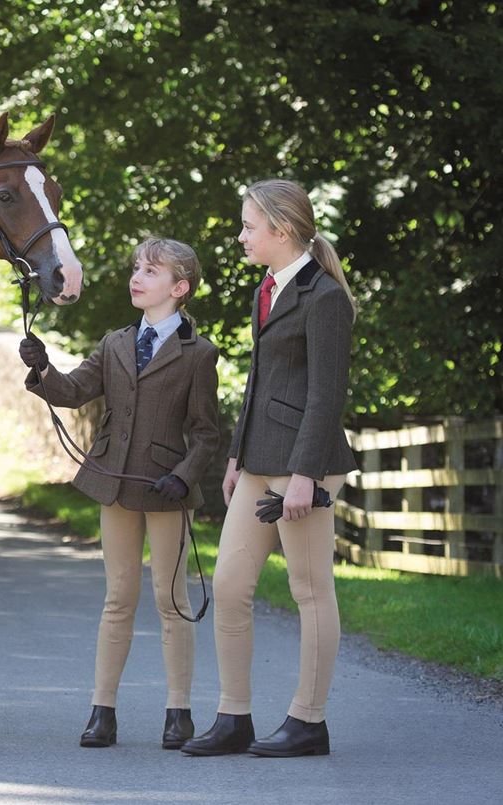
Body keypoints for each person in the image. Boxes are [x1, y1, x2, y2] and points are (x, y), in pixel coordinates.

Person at [19, 237, 220, 749]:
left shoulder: (199, 355)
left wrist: (186, 474)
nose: (137, 277)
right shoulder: (114, 343)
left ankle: (179, 712)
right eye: (136, 268)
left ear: (179, 288)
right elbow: (72, 391)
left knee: (170, 600)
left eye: (150, 272)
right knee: (118, 599)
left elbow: (206, 433)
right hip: (114, 482)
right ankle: (102, 711)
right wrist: (42, 369)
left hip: (166, 488)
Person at [181, 179, 358, 758]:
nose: (241, 235)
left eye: (249, 226)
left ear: (281, 230)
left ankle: (309, 721)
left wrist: (304, 476)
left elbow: (326, 395)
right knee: (231, 587)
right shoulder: (268, 287)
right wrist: (236, 455)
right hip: (258, 459)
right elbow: (262, 382)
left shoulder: (325, 297)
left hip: (304, 465)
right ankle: (234, 718)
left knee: (310, 590)